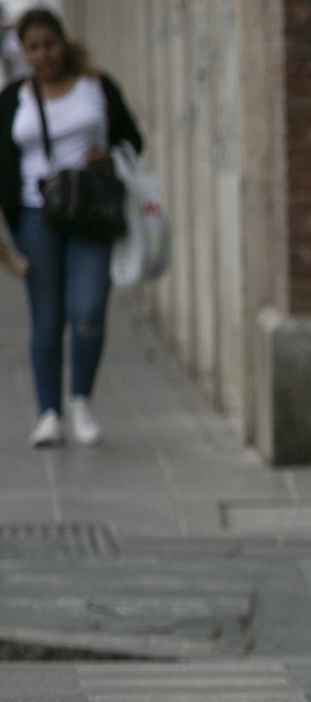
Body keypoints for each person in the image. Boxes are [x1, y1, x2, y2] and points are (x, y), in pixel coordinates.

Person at [0, 5, 142, 448]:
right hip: (36, 214)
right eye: (33, 48)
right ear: (23, 53)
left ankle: (81, 400)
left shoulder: (95, 88)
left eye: (49, 44)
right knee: (46, 319)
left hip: (91, 213)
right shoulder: (13, 100)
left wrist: (107, 156)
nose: (43, 55)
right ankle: (48, 412)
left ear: (64, 43)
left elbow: (133, 139)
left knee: (88, 310)